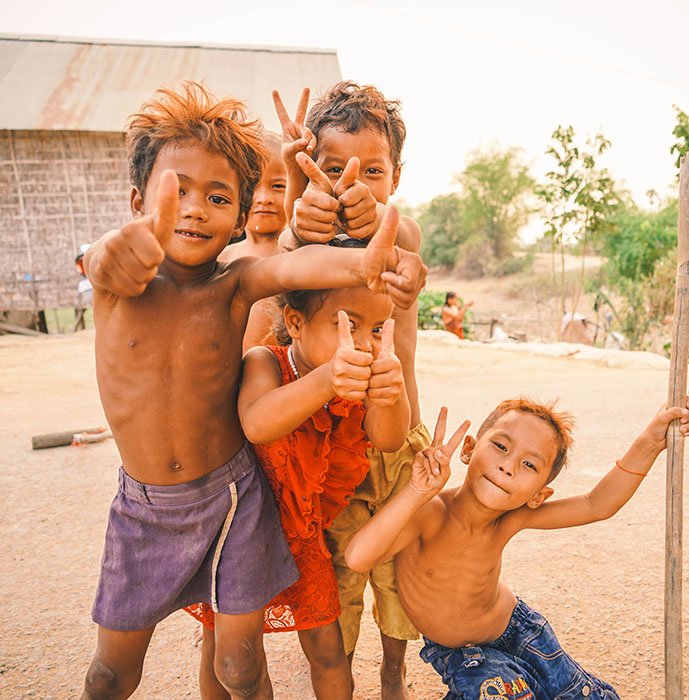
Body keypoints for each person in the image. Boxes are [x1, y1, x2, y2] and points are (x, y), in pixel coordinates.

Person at [80, 81, 426, 700]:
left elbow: (296, 267)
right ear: (138, 200)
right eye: (175, 192)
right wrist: (117, 250)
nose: (192, 209)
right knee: (110, 674)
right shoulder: (118, 282)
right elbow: (104, 260)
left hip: (234, 498)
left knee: (239, 665)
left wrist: (376, 260)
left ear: (239, 219)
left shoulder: (235, 283)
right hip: (144, 509)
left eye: (216, 197)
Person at [345, 398, 689, 699]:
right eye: (500, 446)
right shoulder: (429, 513)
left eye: (529, 465)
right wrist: (416, 493)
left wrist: (652, 440)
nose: (508, 466)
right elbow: (358, 557)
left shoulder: (510, 518)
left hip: (521, 630)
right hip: (462, 653)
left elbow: (596, 504)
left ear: (538, 495)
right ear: (468, 449)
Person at [274, 82, 428, 699]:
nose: (351, 182)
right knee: (338, 578)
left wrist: (385, 228)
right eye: (333, 167)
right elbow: (281, 259)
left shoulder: (402, 233)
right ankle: (343, 675)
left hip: (395, 444)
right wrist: (294, 210)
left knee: (396, 573)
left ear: (396, 175)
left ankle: (394, 669)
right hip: (332, 451)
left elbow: (408, 246)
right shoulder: (306, 238)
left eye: (373, 169)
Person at [188, 275, 409, 700]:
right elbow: (257, 423)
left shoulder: (360, 379)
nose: (363, 343)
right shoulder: (266, 362)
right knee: (232, 656)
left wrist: (389, 395)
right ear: (295, 321)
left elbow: (388, 439)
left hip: (303, 538)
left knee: (328, 649)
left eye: (377, 329)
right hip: (241, 535)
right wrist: (328, 379)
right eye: (347, 324)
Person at [219, 131, 287, 352]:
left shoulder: (296, 254)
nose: (264, 197)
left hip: (277, 380)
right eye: (253, 187)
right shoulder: (222, 256)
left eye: (278, 186)